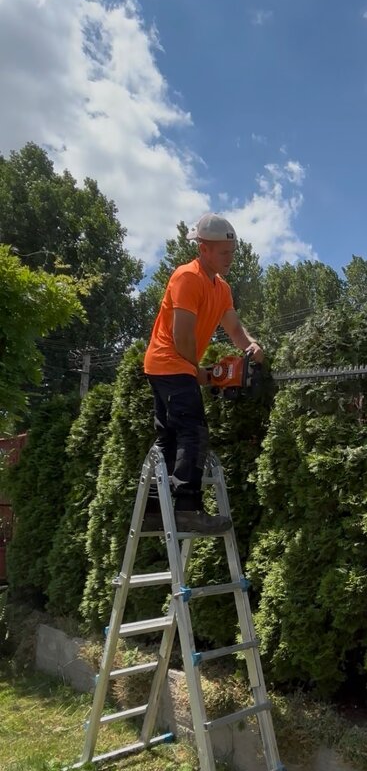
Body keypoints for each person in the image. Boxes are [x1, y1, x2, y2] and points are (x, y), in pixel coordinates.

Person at [142, 212, 263, 535]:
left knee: (169, 438)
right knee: (193, 432)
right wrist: (199, 373)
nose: (230, 258)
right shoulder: (187, 277)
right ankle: (187, 509)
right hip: (170, 362)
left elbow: (234, 329)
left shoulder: (221, 288)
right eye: (224, 253)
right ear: (203, 249)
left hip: (171, 365)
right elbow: (182, 336)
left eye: (232, 252)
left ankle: (153, 511)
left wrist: (251, 346)